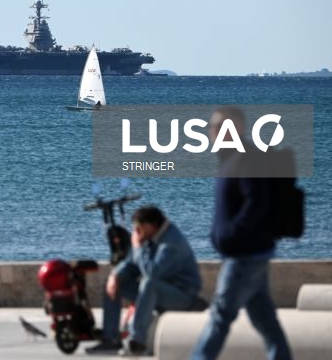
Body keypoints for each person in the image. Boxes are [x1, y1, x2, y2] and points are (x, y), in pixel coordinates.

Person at [190, 107, 292, 360]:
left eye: (217, 127)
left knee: (220, 317)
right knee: (265, 320)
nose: (211, 132)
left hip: (244, 254)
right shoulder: (232, 157)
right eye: (212, 127)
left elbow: (257, 202)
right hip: (249, 251)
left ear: (236, 129)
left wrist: (232, 235)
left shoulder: (246, 158)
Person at [87, 206, 204, 356]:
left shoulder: (171, 243)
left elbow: (152, 273)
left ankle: (137, 342)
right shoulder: (149, 237)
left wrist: (137, 247)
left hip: (183, 296)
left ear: (152, 225)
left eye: (140, 226)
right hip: (159, 293)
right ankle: (111, 339)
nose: (137, 230)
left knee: (149, 284)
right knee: (114, 283)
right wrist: (114, 275)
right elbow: (131, 263)